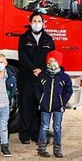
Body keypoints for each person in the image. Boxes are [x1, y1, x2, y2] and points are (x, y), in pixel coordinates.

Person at [17, 11, 54, 144]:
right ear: (30, 23)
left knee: (40, 106)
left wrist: (41, 69)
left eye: (39, 21)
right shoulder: (24, 38)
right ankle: (25, 135)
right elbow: (22, 57)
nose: (37, 24)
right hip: (27, 77)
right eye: (34, 21)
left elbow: (51, 57)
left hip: (42, 77)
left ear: (43, 23)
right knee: (26, 106)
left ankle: (36, 134)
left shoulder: (48, 39)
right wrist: (34, 69)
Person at [35, 50, 73, 158]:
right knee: (44, 126)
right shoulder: (42, 76)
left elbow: (68, 90)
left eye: (55, 60)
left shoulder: (64, 77)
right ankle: (42, 147)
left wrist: (63, 102)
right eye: (50, 61)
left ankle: (57, 148)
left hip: (58, 106)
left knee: (57, 127)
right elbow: (37, 89)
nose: (52, 63)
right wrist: (41, 100)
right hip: (45, 106)